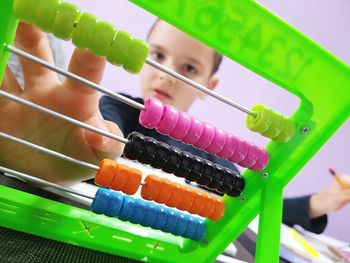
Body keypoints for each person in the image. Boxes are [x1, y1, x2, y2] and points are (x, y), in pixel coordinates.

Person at [1, 21, 350, 235]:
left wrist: (320, 202)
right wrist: (86, 144)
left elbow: (249, 202)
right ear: (141, 56)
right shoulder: (118, 107)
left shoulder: (217, 154)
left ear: (209, 85)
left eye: (190, 68)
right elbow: (106, 140)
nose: (168, 73)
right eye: (158, 55)